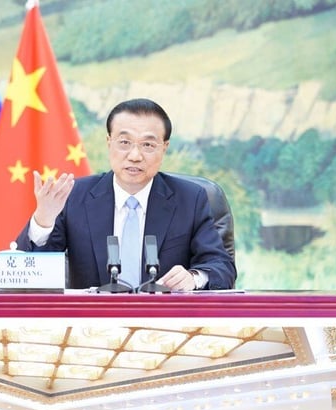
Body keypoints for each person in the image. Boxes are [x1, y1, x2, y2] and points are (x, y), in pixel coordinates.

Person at [15, 98, 236, 291]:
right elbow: (29, 271)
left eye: (148, 144)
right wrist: (43, 221)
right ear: (109, 142)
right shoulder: (76, 196)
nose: (135, 155)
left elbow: (222, 267)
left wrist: (193, 278)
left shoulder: (191, 199)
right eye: (124, 142)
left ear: (164, 147)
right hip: (92, 326)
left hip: (165, 327)